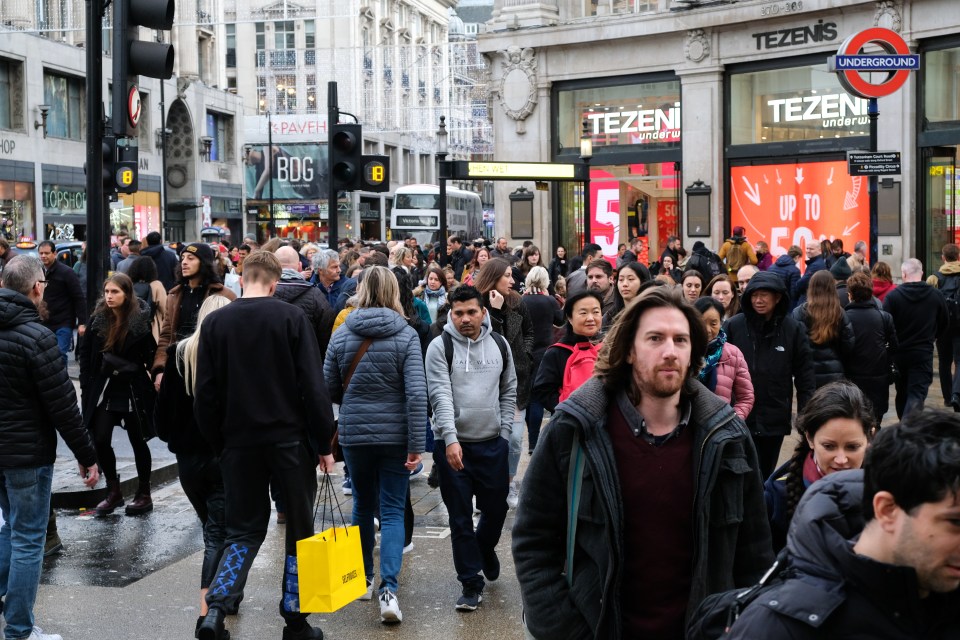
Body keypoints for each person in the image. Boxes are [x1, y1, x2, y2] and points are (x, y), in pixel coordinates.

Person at [514, 286, 773, 639]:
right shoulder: (575, 429)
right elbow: (534, 541)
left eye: (681, 340)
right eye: (655, 338)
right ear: (630, 351)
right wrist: (567, 631)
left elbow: (754, 552)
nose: (670, 351)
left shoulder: (727, 436)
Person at [194, 250, 336, 640]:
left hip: (238, 444)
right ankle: (295, 619)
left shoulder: (217, 323)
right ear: (275, 283)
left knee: (242, 531)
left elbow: (204, 394)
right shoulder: (290, 318)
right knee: (300, 532)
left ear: (242, 277)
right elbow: (313, 385)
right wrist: (324, 442)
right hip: (289, 442)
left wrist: (218, 442)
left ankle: (216, 609)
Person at [725, 410, 960, 638]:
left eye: (852, 446)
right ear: (887, 510)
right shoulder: (778, 626)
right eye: (954, 522)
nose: (841, 459)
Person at [0, 255, 99, 640]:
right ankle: (21, 630)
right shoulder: (37, 337)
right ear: (37, 287)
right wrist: (87, 456)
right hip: (27, 456)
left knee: (11, 530)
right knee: (28, 538)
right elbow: (63, 406)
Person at [323, 265, 426, 624]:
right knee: (394, 509)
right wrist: (416, 444)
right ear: (394, 292)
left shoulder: (343, 331)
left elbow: (329, 387)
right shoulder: (406, 334)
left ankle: (364, 578)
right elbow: (416, 393)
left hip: (355, 433)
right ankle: (389, 590)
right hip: (396, 435)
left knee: (363, 507)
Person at [425, 285, 517, 611]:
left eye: (471, 312)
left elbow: (509, 391)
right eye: (459, 313)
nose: (465, 319)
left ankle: (485, 548)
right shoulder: (440, 346)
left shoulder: (500, 345)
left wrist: (505, 434)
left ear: (483, 312)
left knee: (496, 510)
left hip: (493, 443)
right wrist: (450, 439)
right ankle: (470, 583)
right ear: (451, 313)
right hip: (453, 446)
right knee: (460, 518)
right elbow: (440, 396)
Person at [156, 295, 233, 633]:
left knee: (212, 529)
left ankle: (223, 593)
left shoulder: (178, 354)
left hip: (188, 460)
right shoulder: (234, 356)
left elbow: (162, 417)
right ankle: (209, 612)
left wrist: (177, 440)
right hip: (224, 457)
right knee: (218, 533)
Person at [763, 381, 875, 553]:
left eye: (852, 447)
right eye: (829, 446)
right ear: (809, 438)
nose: (841, 459)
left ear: (870, 437)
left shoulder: (886, 492)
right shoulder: (776, 497)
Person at [78, 273, 157, 517]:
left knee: (138, 440)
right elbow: (86, 357)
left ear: (127, 294)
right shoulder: (97, 320)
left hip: (132, 388)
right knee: (100, 438)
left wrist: (156, 375)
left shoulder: (140, 321)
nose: (109, 297)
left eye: (115, 292)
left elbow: (151, 356)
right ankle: (113, 491)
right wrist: (86, 389)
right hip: (105, 388)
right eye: (107, 292)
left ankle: (144, 492)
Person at [726, 271, 816, 479]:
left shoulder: (793, 330)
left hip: (774, 416)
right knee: (742, 475)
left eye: (764, 295)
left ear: (777, 298)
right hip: (739, 416)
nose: (758, 300)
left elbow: (805, 378)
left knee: (765, 474)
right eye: (754, 295)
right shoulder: (734, 326)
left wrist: (806, 418)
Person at [473, 258, 533, 509]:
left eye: (512, 275)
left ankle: (508, 483)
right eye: (507, 275)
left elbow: (527, 334)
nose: (512, 280)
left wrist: (527, 355)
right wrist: (494, 312)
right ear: (493, 277)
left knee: (515, 439)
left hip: (516, 380)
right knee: (488, 437)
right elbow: (489, 341)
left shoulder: (518, 303)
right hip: (484, 383)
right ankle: (485, 486)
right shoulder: (476, 304)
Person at [151, 243, 236, 393]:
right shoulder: (174, 295)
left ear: (204, 263)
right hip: (177, 368)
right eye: (182, 258)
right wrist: (160, 369)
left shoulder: (224, 295)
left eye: (191, 258)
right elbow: (166, 336)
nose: (184, 262)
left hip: (208, 371)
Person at [884, 258, 950, 419]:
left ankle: (905, 427)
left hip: (900, 353)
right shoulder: (936, 295)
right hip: (922, 352)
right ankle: (907, 427)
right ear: (921, 273)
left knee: (902, 392)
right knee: (917, 394)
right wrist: (933, 337)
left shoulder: (893, 297)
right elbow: (944, 322)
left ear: (904, 274)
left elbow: (885, 325)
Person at [532, 291, 604, 414]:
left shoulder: (607, 348)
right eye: (583, 313)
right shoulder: (558, 352)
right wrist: (566, 409)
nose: (591, 318)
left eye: (596, 312)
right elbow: (543, 389)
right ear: (570, 318)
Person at [844, 271, 898, 423]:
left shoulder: (844, 317)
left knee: (854, 420)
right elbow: (894, 346)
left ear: (850, 294)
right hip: (878, 376)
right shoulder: (884, 317)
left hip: (851, 377)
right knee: (875, 420)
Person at [520, 266, 563, 452]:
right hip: (544, 353)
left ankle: (532, 441)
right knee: (540, 396)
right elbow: (560, 321)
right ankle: (538, 443)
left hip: (524, 352)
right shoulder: (550, 301)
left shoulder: (521, 301)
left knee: (529, 399)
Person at [791, 270, 855, 389]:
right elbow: (848, 344)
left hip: (808, 373)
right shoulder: (839, 313)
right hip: (834, 373)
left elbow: (794, 345)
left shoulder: (798, 313)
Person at [693, 297, 754, 421]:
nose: (707, 330)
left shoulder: (733, 354)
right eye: (701, 322)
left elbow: (746, 397)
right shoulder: (683, 350)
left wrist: (732, 422)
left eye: (713, 323)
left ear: (721, 322)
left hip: (718, 429)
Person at [274, 246, 335, 362]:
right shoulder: (315, 294)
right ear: (300, 266)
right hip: (306, 362)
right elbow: (326, 332)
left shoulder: (264, 292)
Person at [37, 240, 86, 367]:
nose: (43, 256)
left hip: (63, 321)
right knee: (45, 355)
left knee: (59, 354)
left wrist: (82, 322)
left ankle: (61, 381)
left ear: (55, 253)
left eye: (47, 253)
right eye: (41, 253)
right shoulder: (38, 272)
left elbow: (78, 297)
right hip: (44, 321)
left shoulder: (66, 272)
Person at [929, 244, 960, 408]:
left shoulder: (934, 278)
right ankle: (957, 394)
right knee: (959, 361)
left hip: (942, 327)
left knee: (944, 362)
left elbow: (928, 303)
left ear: (943, 258)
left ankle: (948, 397)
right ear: (958, 257)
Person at [126, 255, 167, 343]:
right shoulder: (156, 285)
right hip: (152, 326)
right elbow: (165, 309)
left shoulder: (129, 284)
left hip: (131, 326)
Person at [602, 261, 650, 329]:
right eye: (621, 279)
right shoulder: (610, 316)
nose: (624, 284)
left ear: (643, 282)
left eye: (630, 279)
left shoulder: (652, 314)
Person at [793, 239, 827, 305]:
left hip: (808, 301)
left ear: (819, 250)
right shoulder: (815, 263)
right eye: (807, 248)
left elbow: (801, 284)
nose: (808, 251)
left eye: (811, 249)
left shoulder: (816, 265)